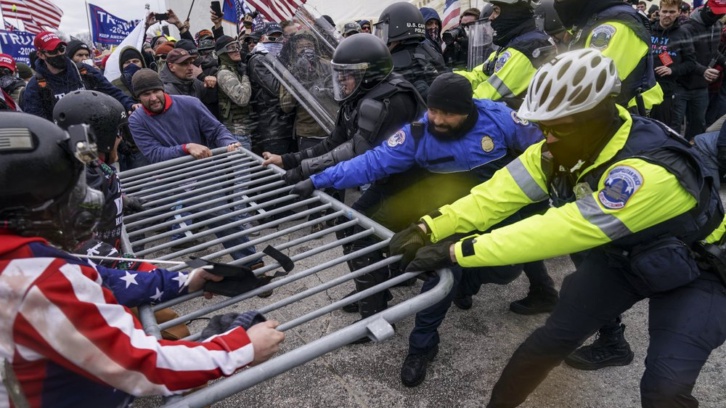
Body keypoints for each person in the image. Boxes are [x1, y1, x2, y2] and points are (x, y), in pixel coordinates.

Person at [393, 48, 726, 408]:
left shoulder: (646, 171)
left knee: (664, 388)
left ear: (598, 115)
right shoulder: (562, 146)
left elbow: (560, 229)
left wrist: (458, 251)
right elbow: (495, 195)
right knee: (543, 346)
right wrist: (429, 227)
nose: (547, 138)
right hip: (625, 258)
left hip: (698, 271)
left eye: (560, 127)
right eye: (542, 126)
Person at [0, 111, 285, 407]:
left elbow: (99, 276)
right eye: (67, 195)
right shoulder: (33, 281)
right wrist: (241, 348)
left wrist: (187, 279)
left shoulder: (24, 256)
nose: (78, 204)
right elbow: (134, 363)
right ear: (29, 205)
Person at [292, 74, 550, 385]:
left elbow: (542, 156)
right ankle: (423, 345)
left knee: (504, 270)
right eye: (434, 111)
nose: (438, 120)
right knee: (443, 264)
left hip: (500, 204)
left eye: (448, 113)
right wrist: (318, 178)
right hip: (447, 211)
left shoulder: (501, 120)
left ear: (469, 109)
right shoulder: (417, 132)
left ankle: (472, 285)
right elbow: (371, 163)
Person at [263, 34, 427, 328]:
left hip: (412, 185)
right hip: (387, 180)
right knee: (352, 228)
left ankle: (374, 314)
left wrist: (306, 174)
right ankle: (373, 292)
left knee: (361, 233)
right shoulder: (358, 99)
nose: (341, 82)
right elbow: (334, 141)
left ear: (368, 75)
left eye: (347, 76)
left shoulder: (391, 99)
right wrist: (288, 160)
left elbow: (356, 150)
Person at [551, 0, 667, 370]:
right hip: (598, 145)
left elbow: (584, 91)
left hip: (610, 148)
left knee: (598, 241)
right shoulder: (600, 22)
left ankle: (613, 339)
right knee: (591, 241)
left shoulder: (613, 26)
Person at [128, 68, 258, 262]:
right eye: (146, 94)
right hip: (166, 177)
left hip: (200, 173)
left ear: (163, 88)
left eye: (156, 91)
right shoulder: (137, 120)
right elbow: (154, 154)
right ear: (138, 97)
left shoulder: (190, 104)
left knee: (224, 219)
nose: (153, 98)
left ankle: (253, 264)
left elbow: (216, 130)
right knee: (134, 217)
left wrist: (228, 142)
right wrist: (186, 147)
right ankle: (132, 270)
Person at [554, 0, 664, 115]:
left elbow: (592, 87)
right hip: (603, 116)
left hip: (619, 119)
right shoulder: (592, 19)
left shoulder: (612, 25)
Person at [456, 0, 554, 107]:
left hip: (522, 121)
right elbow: (478, 75)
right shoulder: (510, 46)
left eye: (496, 11)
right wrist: (446, 78)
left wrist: (446, 104)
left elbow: (485, 97)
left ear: (513, 13)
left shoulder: (526, 49)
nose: (491, 17)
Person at [23, 31, 136, 121]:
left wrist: (130, 105)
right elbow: (36, 120)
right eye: (53, 51)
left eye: (61, 49)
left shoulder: (84, 71)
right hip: (61, 139)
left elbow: (111, 91)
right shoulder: (36, 85)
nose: (59, 54)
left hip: (97, 129)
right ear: (41, 55)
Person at [374, 2, 446, 100]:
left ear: (396, 30)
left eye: (384, 31)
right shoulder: (428, 51)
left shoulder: (396, 64)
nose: (382, 38)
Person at [677, 0, 726, 140]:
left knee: (698, 125)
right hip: (681, 85)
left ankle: (693, 155)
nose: (718, 16)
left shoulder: (716, 26)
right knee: (675, 126)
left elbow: (714, 51)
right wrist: (703, 70)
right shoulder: (688, 27)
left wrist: (723, 61)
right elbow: (683, 56)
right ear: (707, 8)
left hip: (702, 86)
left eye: (721, 14)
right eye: (716, 13)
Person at [247, 26, 295, 154]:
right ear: (262, 38)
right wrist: (292, 73)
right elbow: (275, 88)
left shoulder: (281, 59)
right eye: (272, 37)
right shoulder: (258, 60)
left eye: (280, 37)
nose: (277, 41)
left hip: (287, 124)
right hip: (273, 127)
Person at [650, 0, 697, 128]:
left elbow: (691, 63)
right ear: (659, 11)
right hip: (645, 88)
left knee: (661, 128)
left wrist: (673, 70)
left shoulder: (683, 34)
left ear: (679, 12)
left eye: (672, 12)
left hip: (667, 91)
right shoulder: (648, 30)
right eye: (664, 11)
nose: (667, 15)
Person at [215, 35, 255, 150]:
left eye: (237, 46)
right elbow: (242, 99)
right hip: (236, 134)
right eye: (231, 48)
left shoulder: (235, 69)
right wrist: (245, 75)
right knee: (243, 168)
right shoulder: (224, 73)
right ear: (222, 53)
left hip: (245, 131)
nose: (236, 50)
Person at [160, 48, 217, 112]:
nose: (190, 68)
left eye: (190, 63)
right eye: (184, 64)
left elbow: (210, 99)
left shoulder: (193, 82)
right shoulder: (165, 91)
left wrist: (211, 85)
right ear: (171, 67)